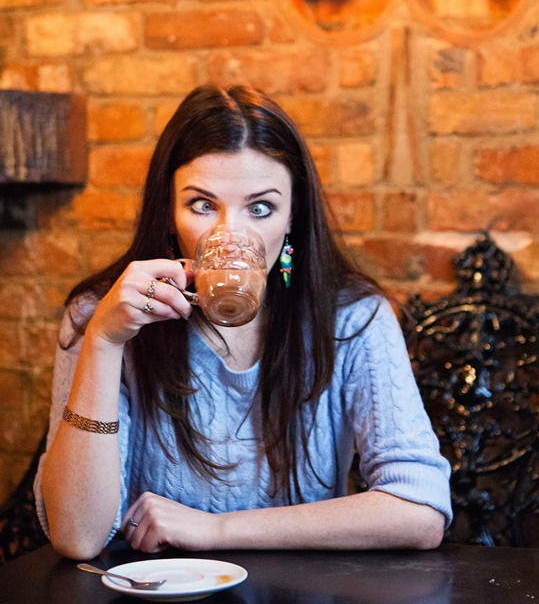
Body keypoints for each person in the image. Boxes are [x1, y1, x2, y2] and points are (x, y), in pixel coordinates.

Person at [35, 85, 452, 560]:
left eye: (260, 208)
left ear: (292, 215)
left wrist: (216, 530)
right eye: (202, 205)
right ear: (169, 215)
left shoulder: (352, 317)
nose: (229, 237)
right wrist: (104, 342)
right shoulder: (102, 315)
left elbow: (420, 508)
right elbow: (77, 536)